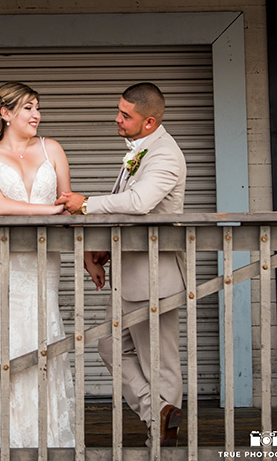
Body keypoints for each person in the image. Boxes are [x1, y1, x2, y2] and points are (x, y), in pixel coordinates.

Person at [0, 81, 104, 449]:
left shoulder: (52, 148)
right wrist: (51, 210)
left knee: (41, 341)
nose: (36, 114)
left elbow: (70, 208)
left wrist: (87, 256)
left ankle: (45, 441)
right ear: (5, 113)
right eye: (27, 107)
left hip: (42, 263)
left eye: (38, 107)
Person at [56, 82, 186, 447]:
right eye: (119, 110)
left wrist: (85, 205)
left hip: (153, 277)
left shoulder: (164, 155)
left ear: (149, 122)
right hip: (131, 272)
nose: (117, 119)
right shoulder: (143, 149)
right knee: (110, 346)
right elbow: (133, 213)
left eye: (125, 115)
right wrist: (105, 249)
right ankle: (158, 414)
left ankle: (164, 437)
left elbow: (141, 201)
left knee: (159, 362)